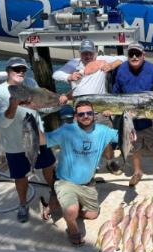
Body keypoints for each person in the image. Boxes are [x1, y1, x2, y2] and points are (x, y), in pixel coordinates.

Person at [0, 57, 56, 223]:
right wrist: (13, 105)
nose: (20, 72)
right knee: (20, 176)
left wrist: (57, 101)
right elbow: (1, 122)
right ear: (7, 71)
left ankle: (55, 192)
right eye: (16, 69)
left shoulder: (31, 83)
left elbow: (41, 105)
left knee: (48, 166)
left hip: (36, 136)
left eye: (23, 70)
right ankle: (23, 204)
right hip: (14, 144)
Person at [43, 100, 119, 246]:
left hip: (87, 184)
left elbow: (127, 135)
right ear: (76, 116)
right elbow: (44, 139)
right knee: (72, 210)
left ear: (94, 115)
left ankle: (60, 204)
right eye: (81, 114)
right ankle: (72, 228)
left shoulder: (103, 131)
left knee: (93, 214)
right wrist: (29, 124)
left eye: (89, 113)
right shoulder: (67, 130)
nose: (85, 116)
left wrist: (127, 116)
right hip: (66, 181)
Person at [53, 39, 125, 175]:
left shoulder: (102, 59)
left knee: (105, 138)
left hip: (100, 108)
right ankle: (89, 167)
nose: (87, 56)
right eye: (84, 53)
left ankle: (110, 162)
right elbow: (56, 74)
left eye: (90, 53)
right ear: (80, 53)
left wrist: (112, 65)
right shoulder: (73, 64)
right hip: (80, 111)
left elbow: (123, 57)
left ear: (95, 53)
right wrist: (69, 76)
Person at [112, 42, 153, 187]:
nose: (135, 56)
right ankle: (137, 172)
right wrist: (111, 109)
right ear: (128, 56)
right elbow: (115, 94)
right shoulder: (120, 70)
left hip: (152, 120)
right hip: (130, 121)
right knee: (134, 148)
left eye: (138, 54)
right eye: (131, 54)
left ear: (144, 55)